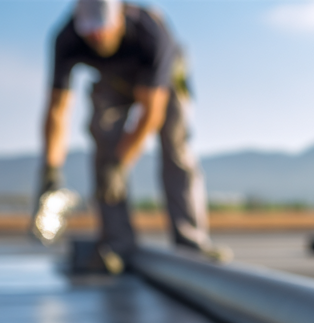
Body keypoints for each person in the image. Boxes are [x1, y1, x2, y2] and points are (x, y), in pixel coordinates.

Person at [38, 0, 227, 273]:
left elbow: (152, 114)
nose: (97, 38)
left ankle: (191, 242)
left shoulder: (150, 32)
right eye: (90, 33)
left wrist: (121, 163)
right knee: (103, 138)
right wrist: (51, 168)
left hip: (163, 83)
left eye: (103, 30)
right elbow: (57, 109)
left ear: (119, 17)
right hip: (112, 80)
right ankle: (116, 244)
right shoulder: (66, 37)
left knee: (176, 146)